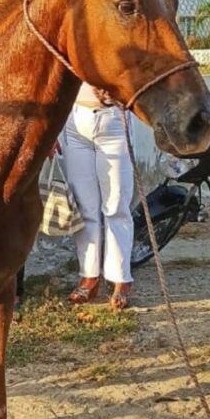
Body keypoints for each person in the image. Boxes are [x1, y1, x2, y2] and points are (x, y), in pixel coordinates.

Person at [61, 82, 136, 310]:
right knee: (84, 207)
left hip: (113, 118)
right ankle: (89, 275)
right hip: (75, 119)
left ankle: (121, 278)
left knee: (116, 205)